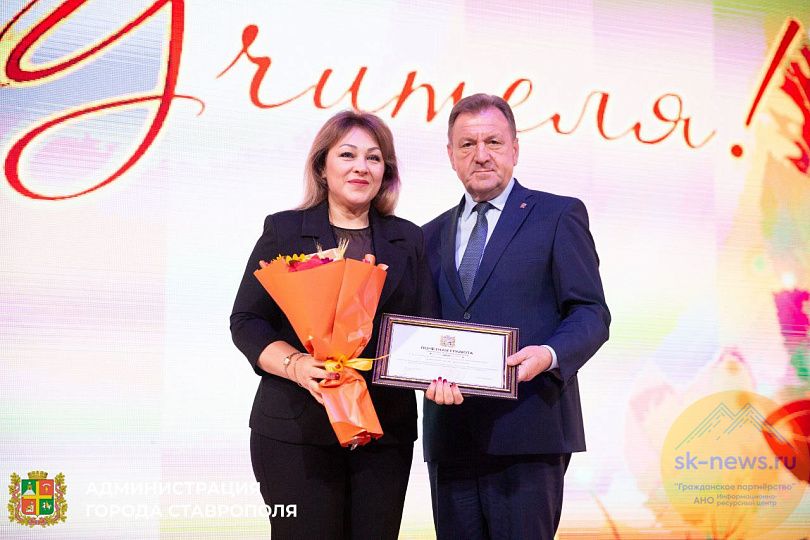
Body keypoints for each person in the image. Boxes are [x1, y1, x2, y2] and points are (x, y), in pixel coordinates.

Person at [230, 110, 437, 539]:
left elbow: (424, 328)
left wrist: (441, 373)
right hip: (294, 431)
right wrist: (296, 365)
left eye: (374, 158)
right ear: (322, 167)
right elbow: (247, 320)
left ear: (386, 172)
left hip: (383, 433)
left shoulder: (408, 238)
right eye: (347, 155)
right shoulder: (284, 230)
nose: (361, 167)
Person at [422, 94, 611, 539]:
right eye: (467, 144)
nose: (481, 154)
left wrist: (548, 354)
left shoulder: (558, 215)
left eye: (493, 141)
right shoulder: (427, 234)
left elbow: (590, 312)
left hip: (529, 429)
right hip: (451, 436)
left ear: (515, 148)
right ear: (450, 155)